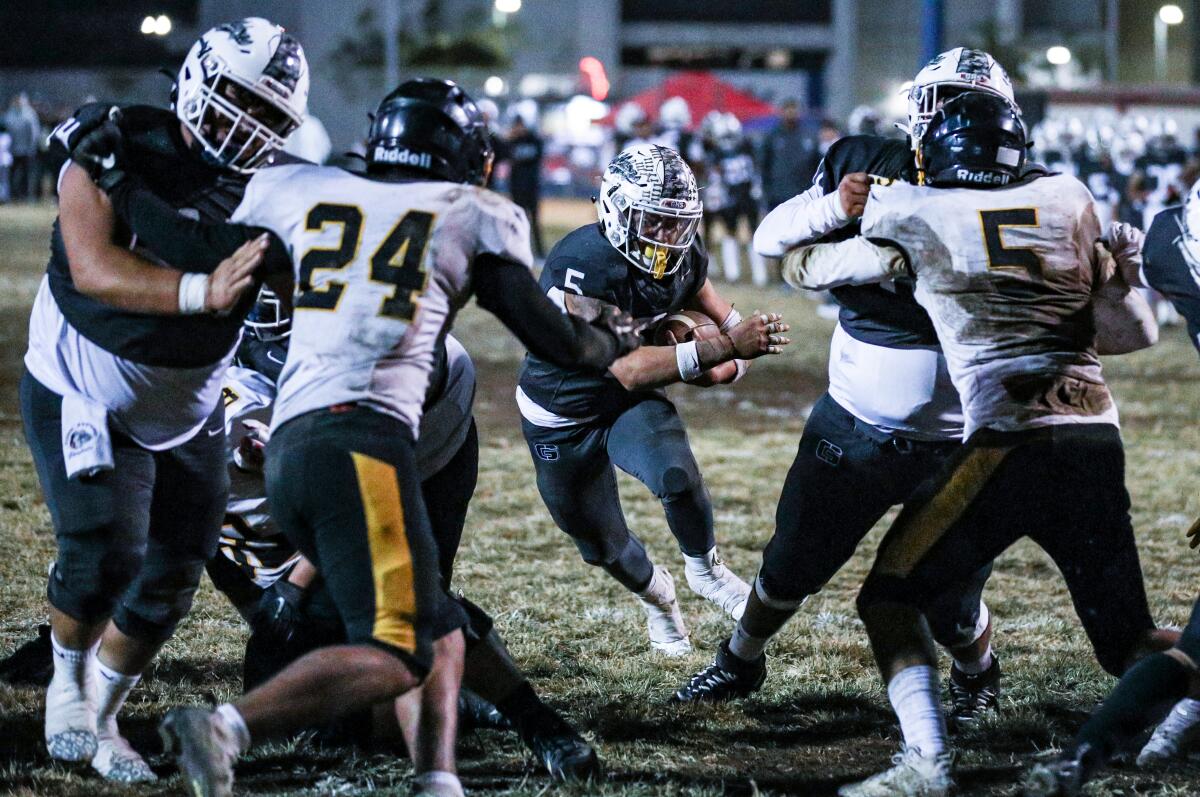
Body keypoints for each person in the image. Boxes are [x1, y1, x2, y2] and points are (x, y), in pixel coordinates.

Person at [97, 77, 638, 797]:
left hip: (320, 442)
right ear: (470, 161)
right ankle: (224, 727)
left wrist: (115, 182)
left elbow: (192, 241)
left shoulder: (305, 191)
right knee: (402, 645)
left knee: (426, 614)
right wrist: (611, 340)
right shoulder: (468, 211)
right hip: (360, 440)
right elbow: (559, 341)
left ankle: (439, 776)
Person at [783, 90, 1168, 797]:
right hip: (1093, 438)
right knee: (1131, 644)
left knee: (890, 594)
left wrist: (860, 257)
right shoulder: (1067, 194)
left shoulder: (916, 208)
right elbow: (1132, 333)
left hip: (1008, 443)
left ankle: (925, 761)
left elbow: (800, 261)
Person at [674, 48, 1013, 725]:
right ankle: (741, 657)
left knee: (950, 595)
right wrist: (833, 206)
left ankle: (978, 675)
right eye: (942, 101)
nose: (952, 118)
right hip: (854, 421)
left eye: (967, 105)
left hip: (962, 436)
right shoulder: (869, 161)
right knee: (790, 562)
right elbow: (774, 238)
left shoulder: (1017, 192)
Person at [20, 17, 305, 784]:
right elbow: (93, 267)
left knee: (176, 570)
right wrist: (199, 289)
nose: (245, 127)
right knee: (103, 548)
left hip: (190, 400)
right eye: (234, 103)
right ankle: (66, 684)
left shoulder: (276, 186)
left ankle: (106, 715)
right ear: (193, 84)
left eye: (267, 116)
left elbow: (247, 266)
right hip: (84, 378)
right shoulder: (118, 142)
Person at [517, 143, 790, 656]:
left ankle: (705, 571)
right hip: (562, 410)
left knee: (675, 476)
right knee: (602, 545)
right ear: (617, 209)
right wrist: (726, 347)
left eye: (677, 222)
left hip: (629, 400)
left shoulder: (684, 258)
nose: (669, 237)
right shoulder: (582, 265)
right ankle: (658, 597)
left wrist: (734, 356)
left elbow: (724, 321)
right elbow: (626, 366)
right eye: (655, 221)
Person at [1019, 184, 1200, 795]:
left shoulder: (1180, 250)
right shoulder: (1177, 250)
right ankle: (1103, 751)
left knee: (1192, 652)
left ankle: (1086, 757)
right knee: (1191, 649)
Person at [760, 98, 819, 214]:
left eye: (794, 109)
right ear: (782, 112)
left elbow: (817, 165)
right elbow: (764, 165)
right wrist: (767, 191)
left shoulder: (809, 136)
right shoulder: (772, 136)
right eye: (788, 109)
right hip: (778, 195)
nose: (791, 113)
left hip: (804, 194)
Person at [503, 115, 545, 259]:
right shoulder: (512, 142)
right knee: (518, 222)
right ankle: (518, 251)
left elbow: (537, 154)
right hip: (516, 188)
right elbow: (503, 154)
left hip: (531, 188)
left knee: (534, 222)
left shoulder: (533, 140)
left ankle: (539, 252)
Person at [5, 92, 41, 200]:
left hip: (26, 150)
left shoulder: (30, 114)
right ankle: (13, 194)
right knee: (12, 173)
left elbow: (34, 133)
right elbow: (7, 131)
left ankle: (25, 195)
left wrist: (32, 147)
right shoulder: (10, 114)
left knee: (26, 174)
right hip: (13, 150)